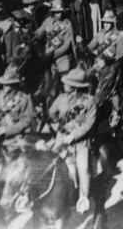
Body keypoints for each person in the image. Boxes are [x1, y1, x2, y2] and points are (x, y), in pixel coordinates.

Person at [48, 66, 96, 214]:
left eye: (67, 83)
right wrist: (58, 127)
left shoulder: (89, 101)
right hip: (62, 139)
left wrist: (73, 136)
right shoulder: (61, 98)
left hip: (80, 142)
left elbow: (89, 124)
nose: (64, 84)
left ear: (75, 87)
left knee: (83, 169)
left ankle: (83, 199)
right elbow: (51, 113)